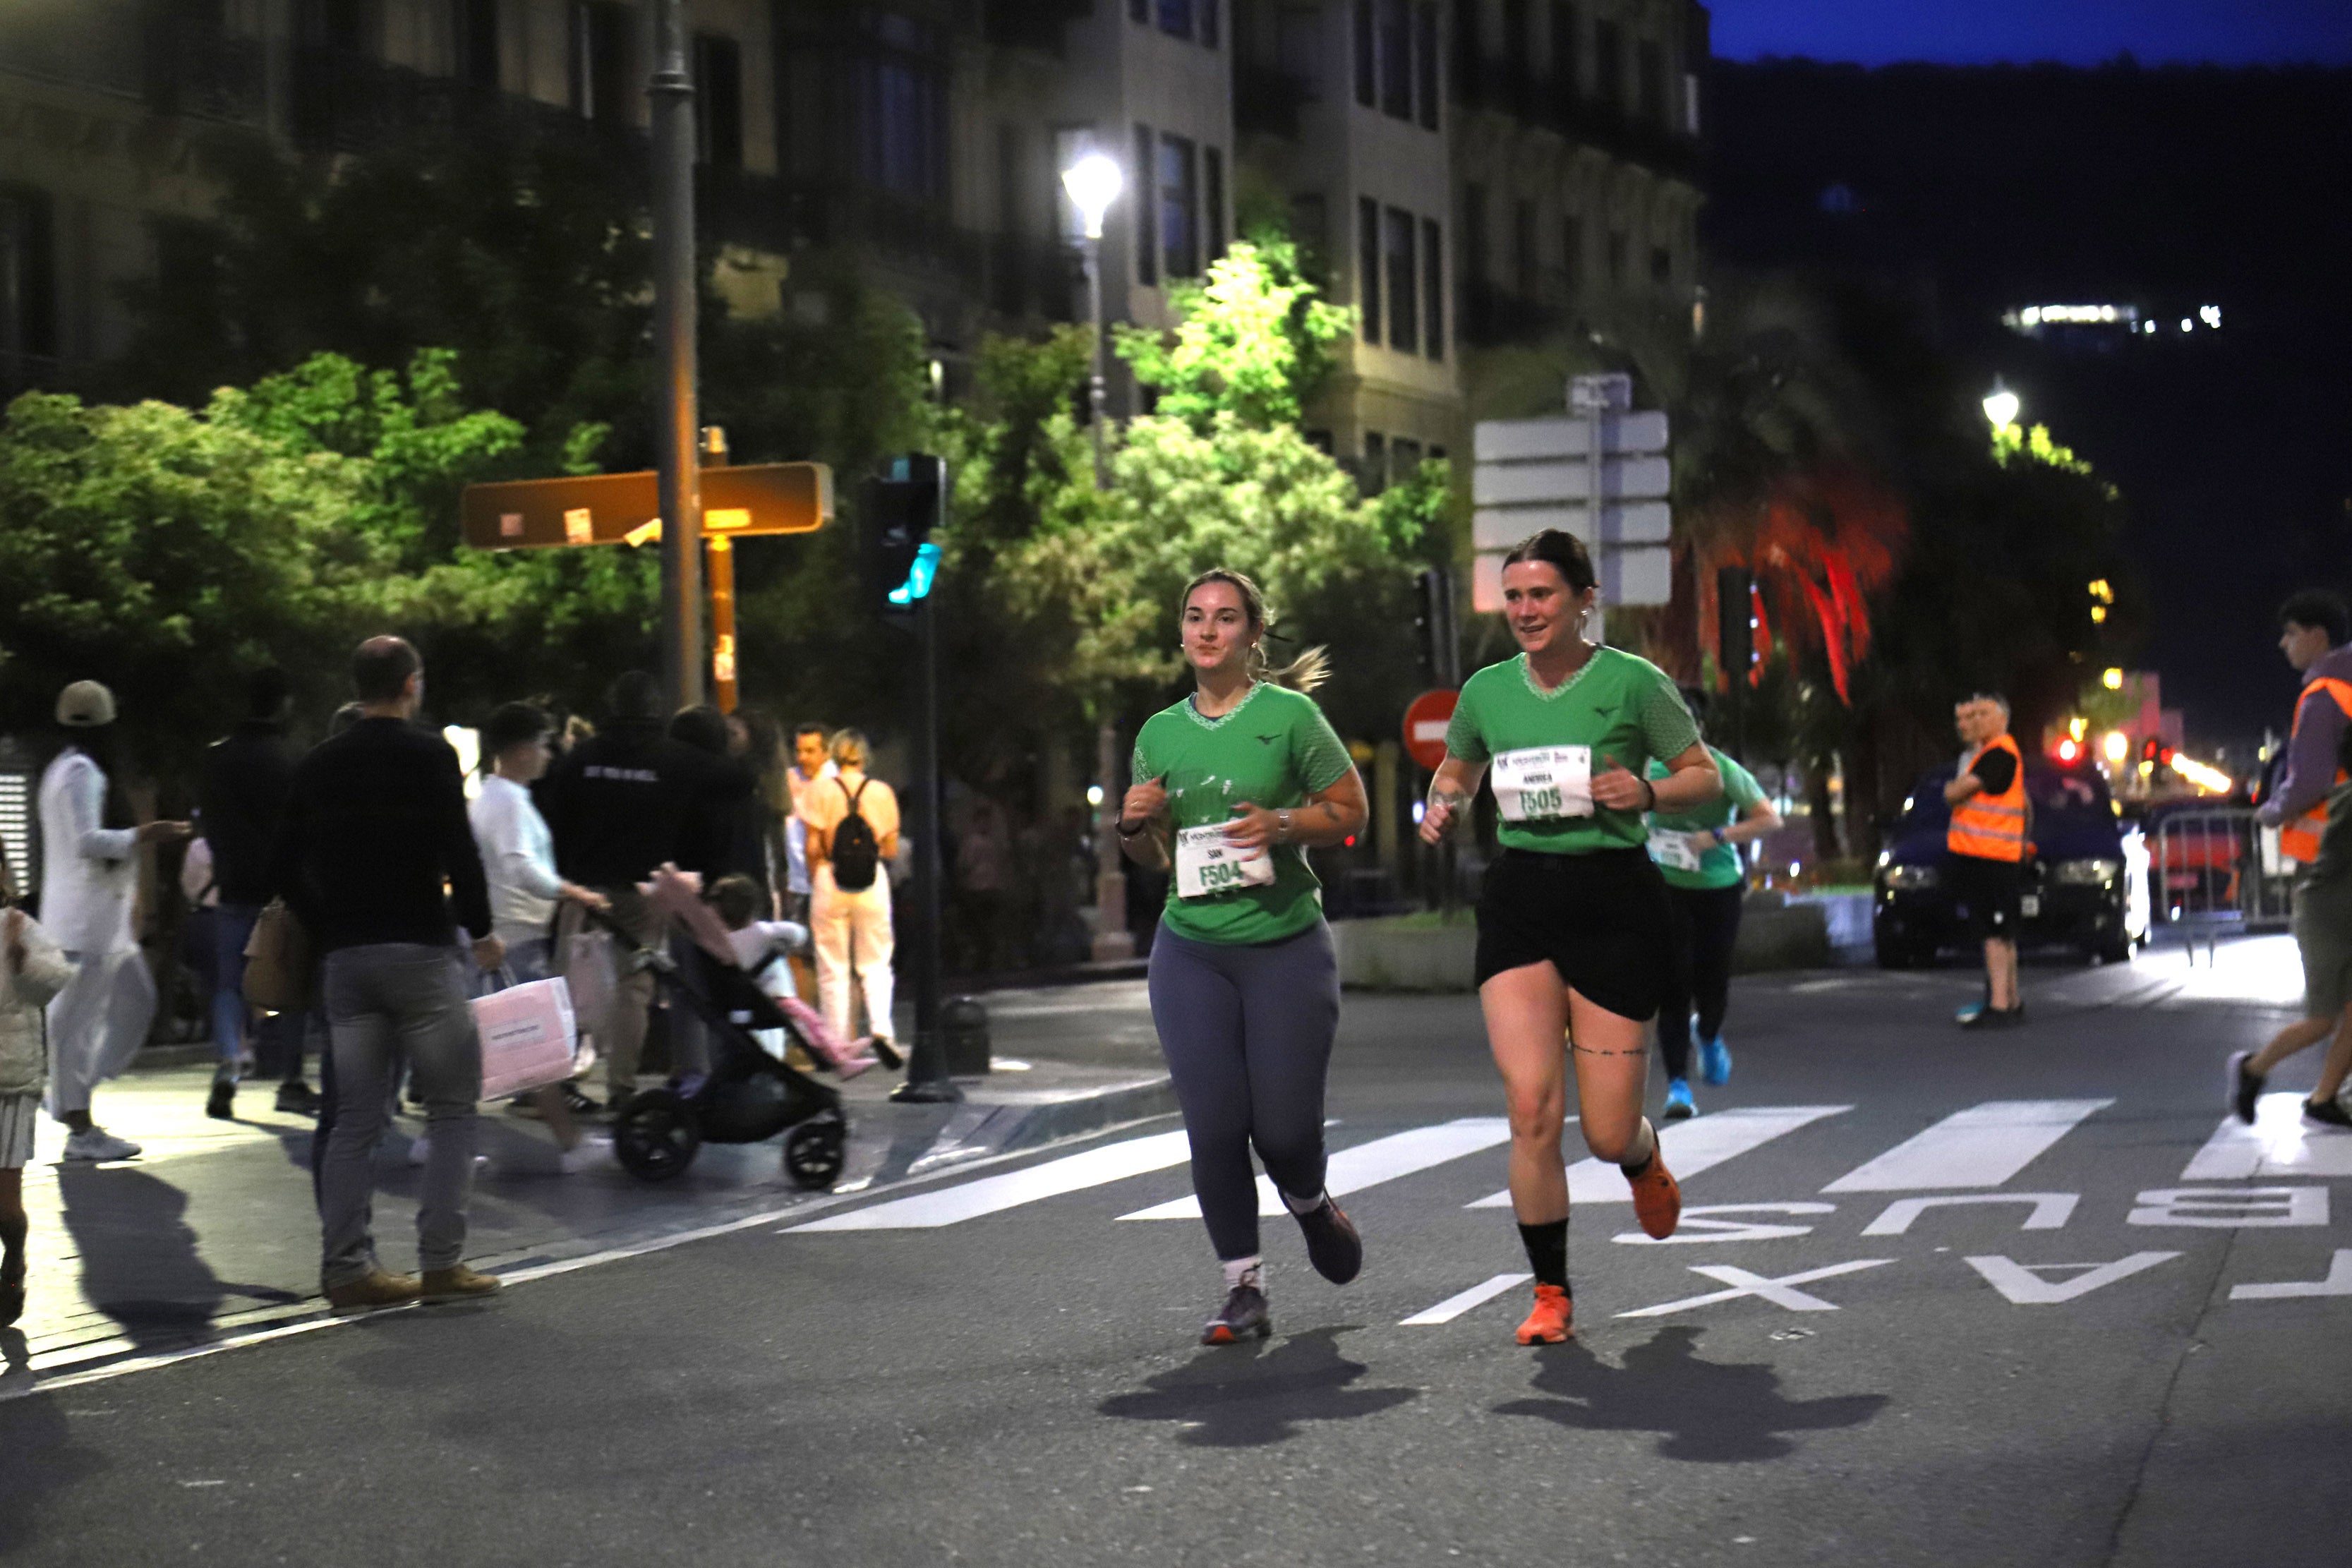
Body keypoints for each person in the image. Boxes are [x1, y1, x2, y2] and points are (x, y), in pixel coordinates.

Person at [1419, 530, 1715, 1344]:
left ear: (1585, 600)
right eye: (1514, 596)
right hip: (1521, 897)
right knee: (1530, 1107)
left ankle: (1641, 1157)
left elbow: (1703, 776)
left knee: (1607, 1130)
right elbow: (1459, 768)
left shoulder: (1635, 682)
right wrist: (1444, 802)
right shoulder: (1486, 690)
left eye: (1542, 594)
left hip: (1615, 900)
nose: (1525, 610)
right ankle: (1551, 1291)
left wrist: (1646, 789)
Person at [1117, 569, 1370, 1345]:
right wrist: (1133, 825)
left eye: (1225, 618)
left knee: (1285, 1133)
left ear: (1253, 634)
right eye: (1195, 616)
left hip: (1284, 945)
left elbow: (1351, 811)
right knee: (1215, 1126)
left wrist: (1281, 824)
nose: (1207, 630)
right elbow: (1153, 857)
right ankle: (1243, 1287)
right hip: (1191, 950)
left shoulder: (1290, 717)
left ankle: (1310, 1203)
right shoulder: (1158, 733)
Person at [270, 636, 505, 1311]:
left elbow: (281, 862)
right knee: (452, 1108)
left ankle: (348, 1268)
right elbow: (459, 850)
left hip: (347, 959)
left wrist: (326, 922)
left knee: (355, 1119)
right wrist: (480, 929)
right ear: (410, 684)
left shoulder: (319, 762)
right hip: (420, 951)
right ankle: (441, 1264)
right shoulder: (431, 755)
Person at [541, 671, 735, 1109]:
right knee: (634, 989)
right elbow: (728, 788)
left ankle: (558, 1084)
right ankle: (621, 1087)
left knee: (569, 986)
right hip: (642, 892)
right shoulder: (675, 760)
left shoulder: (583, 758)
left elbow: (556, 816)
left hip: (584, 889)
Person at [38, 680, 191, 1162]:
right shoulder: (81, 773)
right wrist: (146, 833)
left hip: (94, 921)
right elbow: (88, 842)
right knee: (75, 1025)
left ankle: (69, 1095)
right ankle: (78, 1124)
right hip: (85, 924)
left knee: (133, 1001)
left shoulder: (60, 769)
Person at [470, 701, 613, 1172]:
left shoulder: (495, 797)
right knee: (537, 1048)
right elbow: (520, 868)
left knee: (515, 1045)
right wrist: (571, 892)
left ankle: (438, 1138)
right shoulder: (510, 803)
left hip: (505, 934)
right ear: (521, 750)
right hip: (515, 937)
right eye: (543, 745)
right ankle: (569, 1145)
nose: (549, 754)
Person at [2233, 591, 2352, 1128]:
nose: (2283, 644)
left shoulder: (2323, 695)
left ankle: (2304, 1090)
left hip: (2326, 867)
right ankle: (2287, 1083)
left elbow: (2308, 782)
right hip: (2339, 864)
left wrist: (2270, 812)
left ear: (2317, 636)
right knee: (2332, 1011)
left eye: (2289, 633)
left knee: (2325, 1012)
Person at [1646, 718, 1781, 1119]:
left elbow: (1769, 818)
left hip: (1718, 886)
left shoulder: (1722, 769)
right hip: (1666, 884)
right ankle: (1678, 1087)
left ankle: (1707, 1033)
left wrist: (1717, 836)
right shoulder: (1648, 771)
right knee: (1673, 984)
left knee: (1713, 979)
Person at [195, 666, 312, 1119]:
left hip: (232, 887)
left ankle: (229, 1065)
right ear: (284, 704)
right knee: (292, 983)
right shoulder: (289, 760)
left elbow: (210, 822)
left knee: (230, 984)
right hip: (281, 892)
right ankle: (291, 1078)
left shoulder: (217, 758)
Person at [1, 848, 77, 1327]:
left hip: (9, 1080)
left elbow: (54, 980)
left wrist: (22, 959)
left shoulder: (18, 925)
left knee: (6, 1203)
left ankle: (13, 1263)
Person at [801, 730, 906, 1069]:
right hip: (872, 881)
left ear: (834, 754)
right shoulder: (882, 792)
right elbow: (891, 849)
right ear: (865, 755)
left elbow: (812, 847)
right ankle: (881, 1031)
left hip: (830, 878)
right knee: (876, 962)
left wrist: (817, 875)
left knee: (832, 967)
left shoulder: (819, 790)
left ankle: (837, 1043)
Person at [1945, 694, 2030, 1028]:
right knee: (2003, 932)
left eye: (1983, 714)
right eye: (1971, 715)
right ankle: (2011, 999)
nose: (1976, 721)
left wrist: (1951, 789)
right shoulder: (1993, 754)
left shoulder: (1999, 754)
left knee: (1994, 933)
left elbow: (1956, 793)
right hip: (1994, 855)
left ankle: (1999, 1005)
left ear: (2002, 719)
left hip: (1991, 856)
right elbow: (2025, 806)